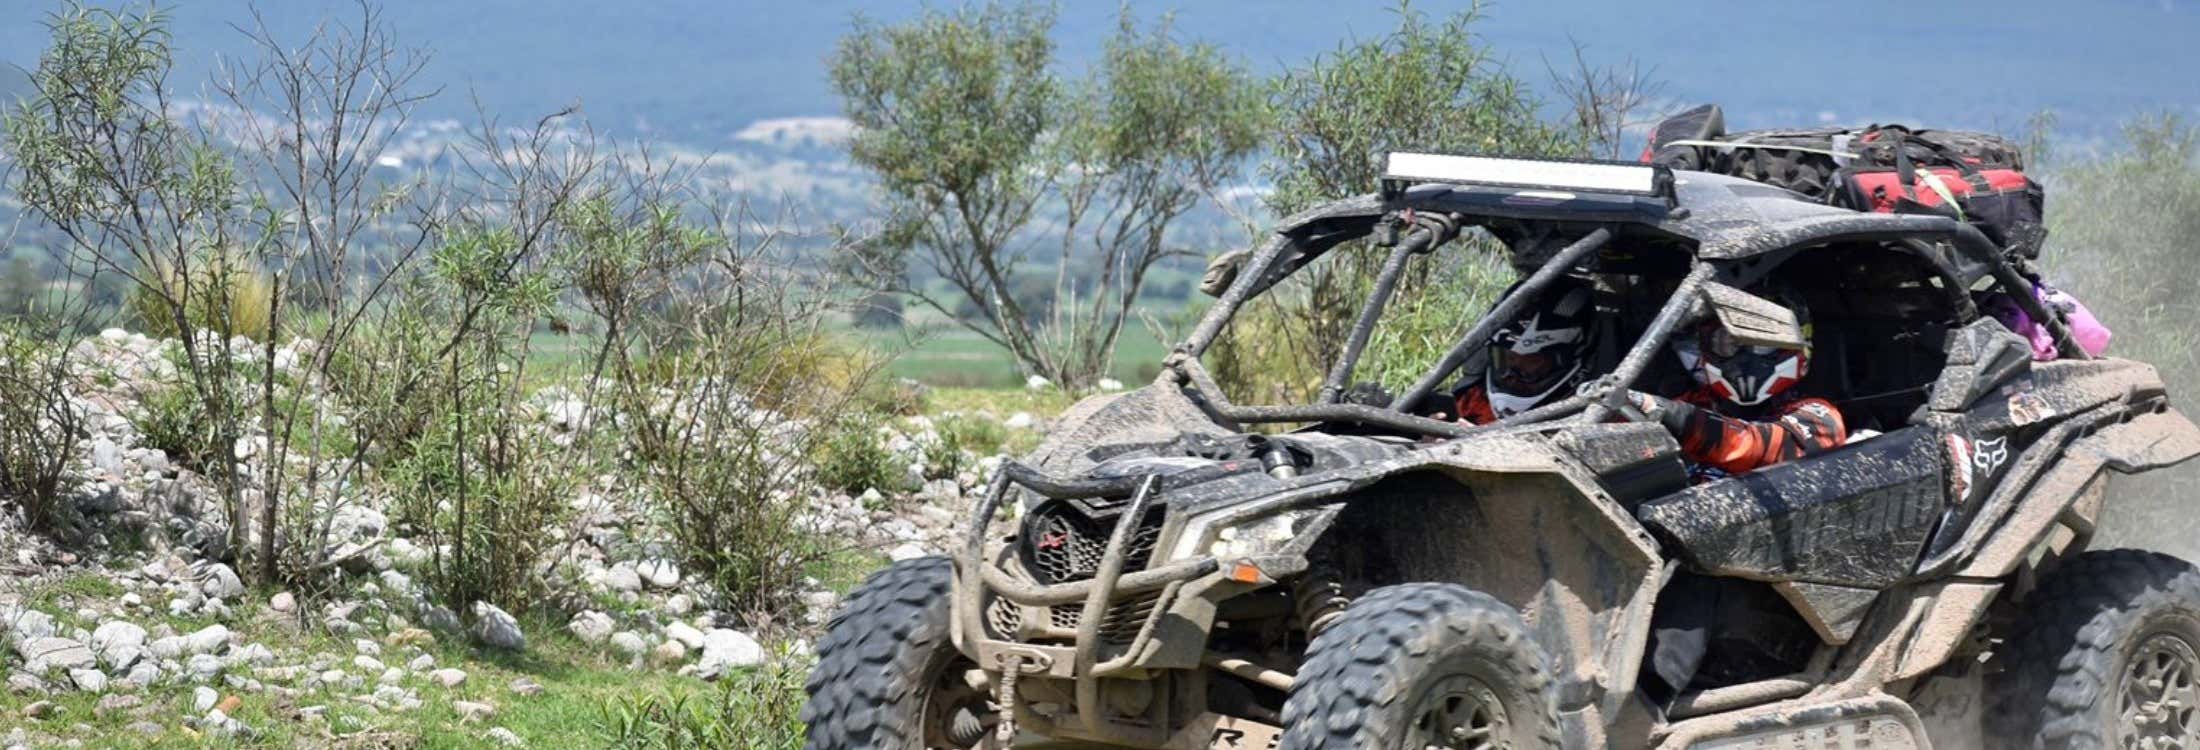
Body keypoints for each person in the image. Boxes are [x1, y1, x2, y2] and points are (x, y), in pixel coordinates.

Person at [1632, 284, 1846, 480]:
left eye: (1763, 343)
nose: (1743, 356)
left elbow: (1755, 445)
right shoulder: (1699, 402)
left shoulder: (1819, 416)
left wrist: (1675, 417)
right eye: (1727, 342)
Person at [1436, 278, 1599, 425]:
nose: (1511, 378)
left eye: (1530, 364)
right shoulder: (1474, 399)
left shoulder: (1597, 419)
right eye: (1505, 360)